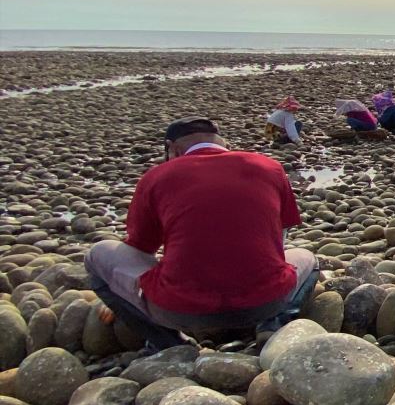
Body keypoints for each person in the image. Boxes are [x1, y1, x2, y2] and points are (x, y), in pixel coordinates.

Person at [85, 116, 319, 351]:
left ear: (173, 148)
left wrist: (125, 288)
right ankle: (272, 322)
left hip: (180, 310)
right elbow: (281, 233)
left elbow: (140, 247)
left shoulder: (156, 176)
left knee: (97, 255)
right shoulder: (269, 166)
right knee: (308, 258)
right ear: (223, 143)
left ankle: (169, 343)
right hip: (265, 301)